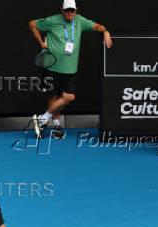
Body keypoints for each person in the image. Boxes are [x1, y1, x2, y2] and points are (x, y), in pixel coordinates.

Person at [29, 0, 113, 139]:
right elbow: (32, 24)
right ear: (62, 10)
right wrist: (41, 42)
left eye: (72, 10)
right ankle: (55, 124)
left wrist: (106, 32)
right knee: (55, 97)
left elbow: (97, 26)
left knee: (68, 97)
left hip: (70, 69)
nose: (70, 13)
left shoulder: (79, 21)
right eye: (67, 10)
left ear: (76, 10)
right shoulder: (52, 20)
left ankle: (42, 120)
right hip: (53, 67)